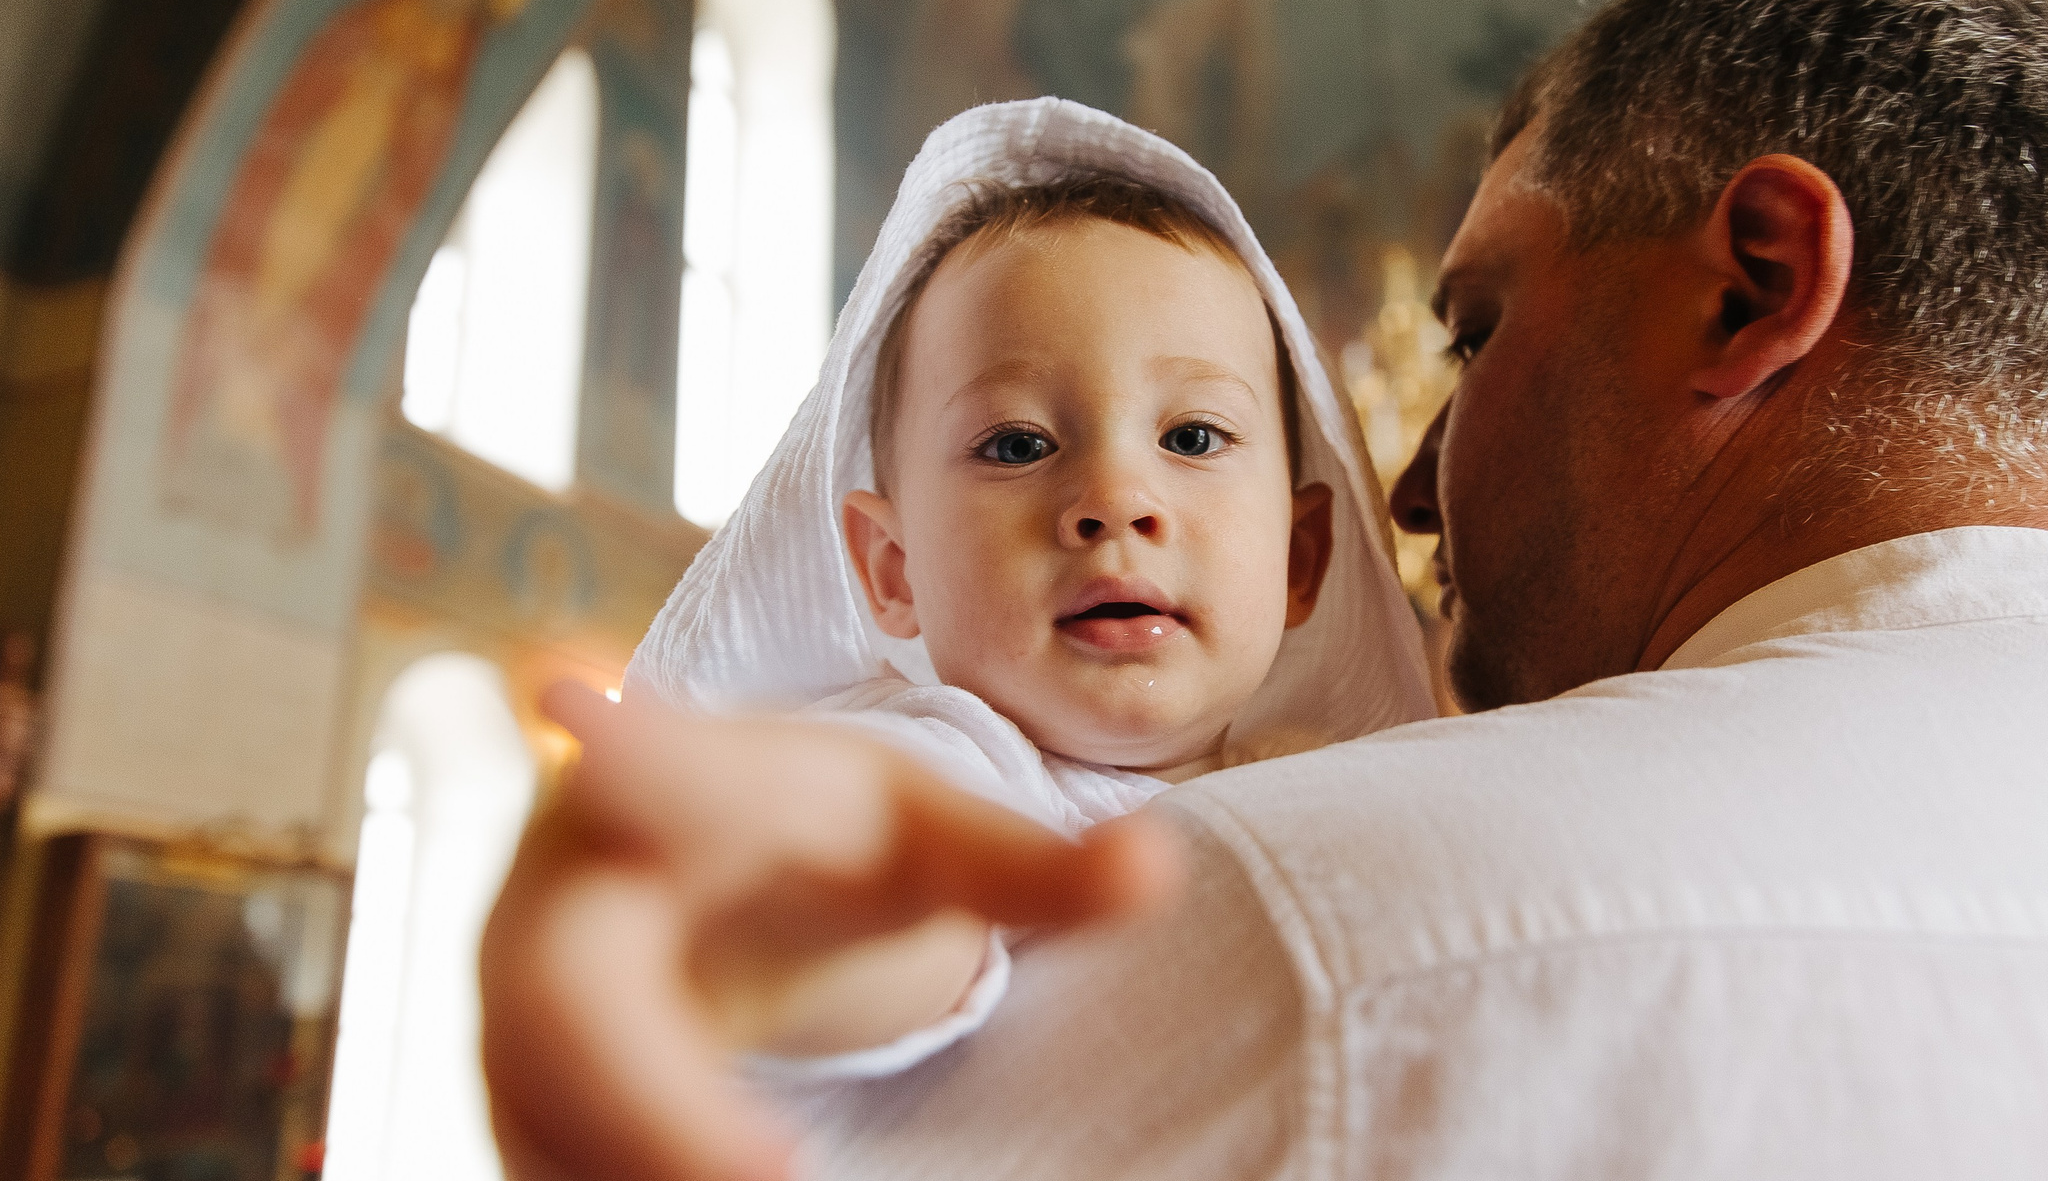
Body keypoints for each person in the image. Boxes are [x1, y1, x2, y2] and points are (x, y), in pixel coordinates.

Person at [483, 0, 2048, 1181]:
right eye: (1012, 447)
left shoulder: (1296, 927)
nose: (1405, 474)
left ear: (1750, 286)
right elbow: (883, 852)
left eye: (1469, 332)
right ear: (881, 562)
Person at [606, 97, 1433, 1066]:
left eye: (1191, 437)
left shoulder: (1331, 787)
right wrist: (804, 920)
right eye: (1017, 444)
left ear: (1300, 561)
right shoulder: (957, 769)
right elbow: (881, 882)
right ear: (892, 570)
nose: (1117, 500)